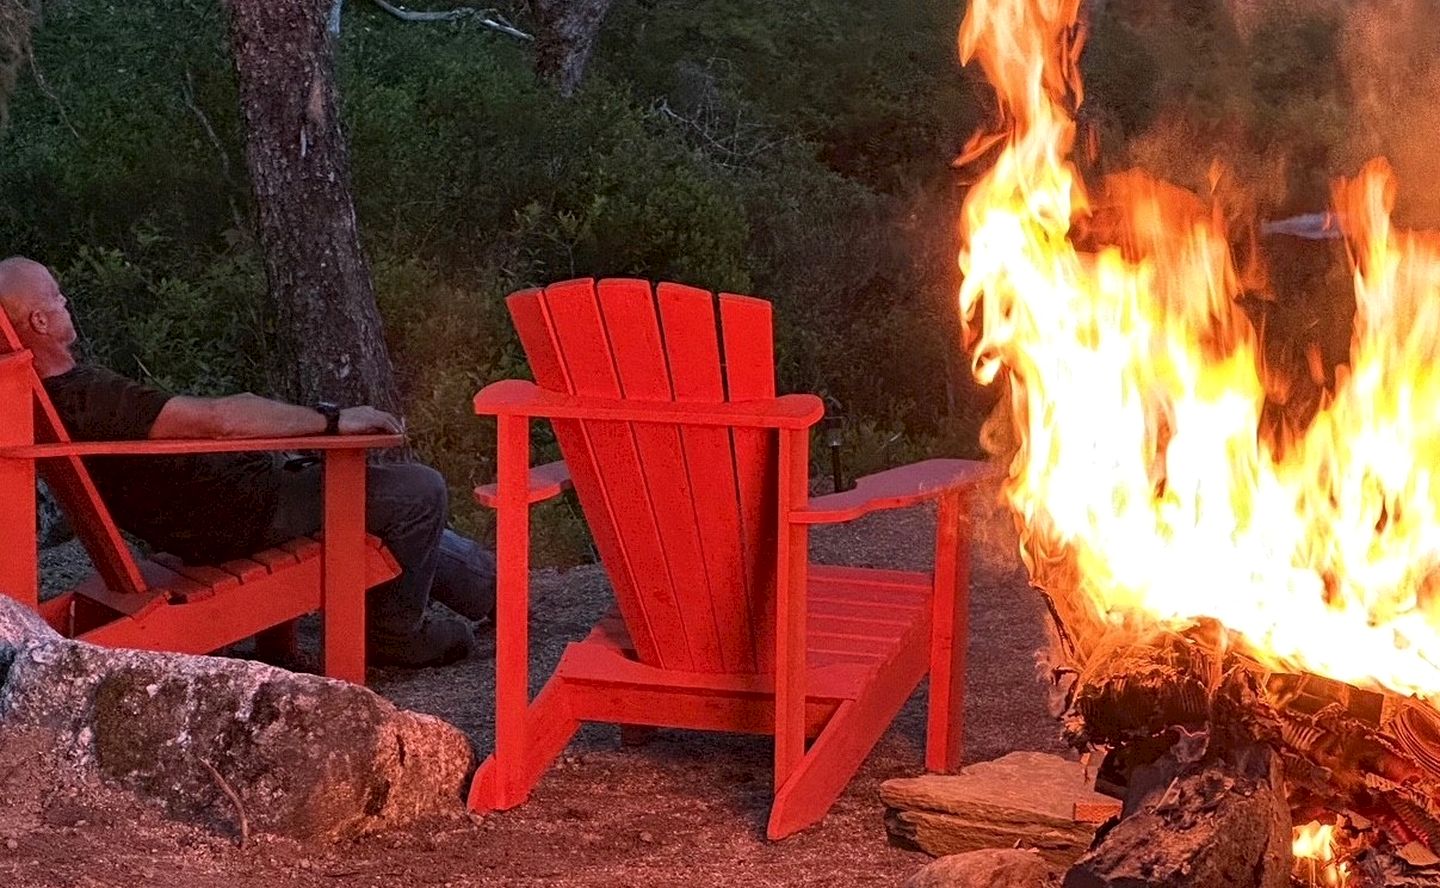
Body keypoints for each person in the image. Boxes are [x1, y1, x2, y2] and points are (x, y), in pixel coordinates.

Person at [0, 256, 495, 668]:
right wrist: (330, 421)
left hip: (212, 514)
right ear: (38, 322)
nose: (66, 301)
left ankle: (494, 594)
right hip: (238, 515)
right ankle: (394, 636)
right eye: (57, 295)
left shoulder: (48, 399)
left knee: (381, 500)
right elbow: (217, 420)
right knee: (419, 490)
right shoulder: (91, 397)